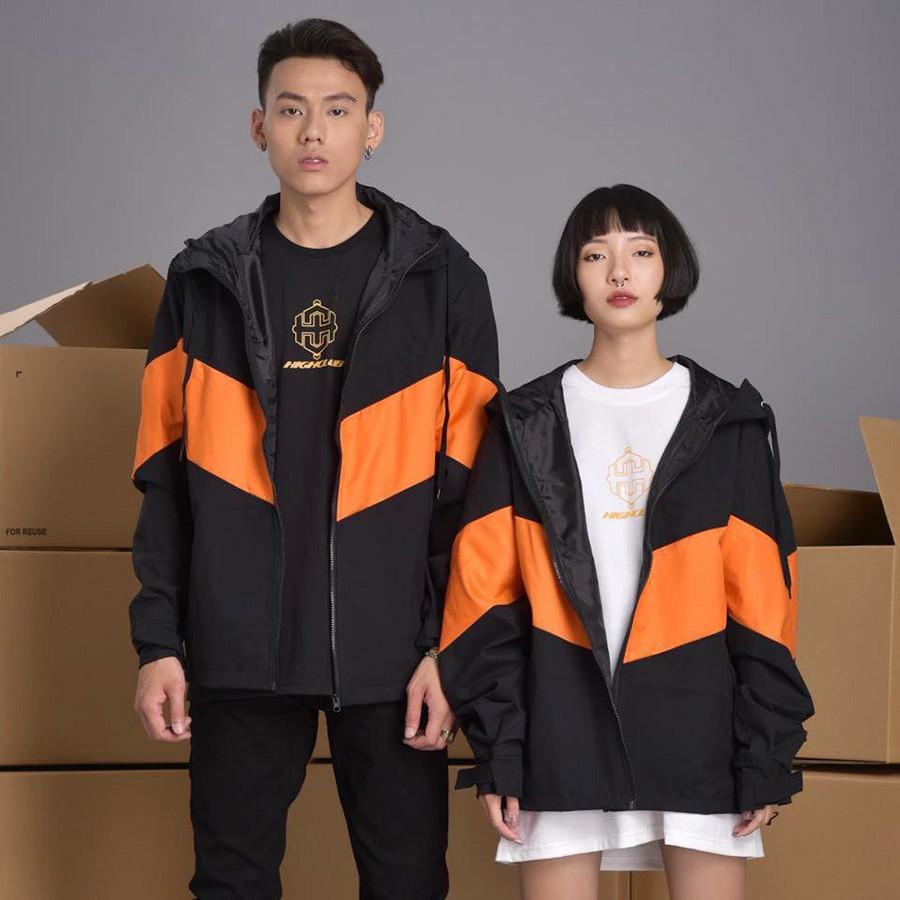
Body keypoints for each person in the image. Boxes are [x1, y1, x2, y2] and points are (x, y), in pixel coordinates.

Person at [128, 18, 498, 899]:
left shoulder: (445, 281)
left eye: (338, 109)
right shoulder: (202, 280)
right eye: (291, 109)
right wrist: (157, 643)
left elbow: (479, 495)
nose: (313, 131)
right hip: (237, 647)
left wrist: (449, 652)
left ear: (373, 128)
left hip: (395, 658)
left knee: (408, 885)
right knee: (230, 883)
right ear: (259, 126)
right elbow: (163, 481)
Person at [437, 184, 814, 900]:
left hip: (698, 733)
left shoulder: (727, 423)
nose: (619, 272)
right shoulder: (523, 424)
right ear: (572, 275)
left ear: (669, 270)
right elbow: (485, 601)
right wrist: (501, 752)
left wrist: (764, 754)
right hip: (560, 730)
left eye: (641, 252)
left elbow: (766, 607)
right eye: (595, 254)